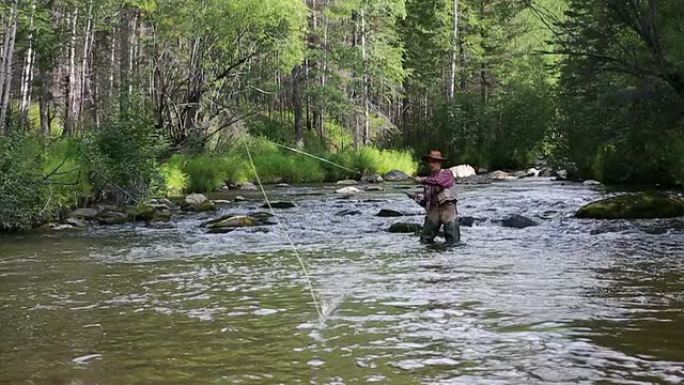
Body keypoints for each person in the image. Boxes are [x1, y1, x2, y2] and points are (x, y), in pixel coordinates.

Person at [415, 150, 460, 246]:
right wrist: (417, 198)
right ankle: (430, 257)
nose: (431, 164)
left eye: (434, 162)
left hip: (448, 209)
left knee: (453, 243)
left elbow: (439, 182)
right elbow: (427, 201)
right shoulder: (428, 181)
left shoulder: (447, 174)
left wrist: (422, 179)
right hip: (433, 211)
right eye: (430, 162)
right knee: (424, 241)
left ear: (440, 163)